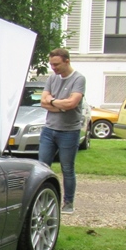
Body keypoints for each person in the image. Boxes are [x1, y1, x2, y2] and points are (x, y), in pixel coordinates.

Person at [38, 48, 86, 215]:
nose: (54, 68)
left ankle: (68, 202)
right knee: (42, 167)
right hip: (49, 129)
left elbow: (72, 103)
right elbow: (43, 102)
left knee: (67, 168)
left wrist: (52, 101)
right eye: (51, 64)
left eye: (57, 64)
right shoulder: (52, 78)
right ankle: (41, 199)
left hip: (69, 131)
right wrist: (60, 105)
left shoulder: (78, 79)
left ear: (67, 61)